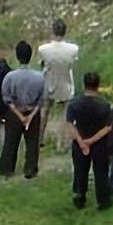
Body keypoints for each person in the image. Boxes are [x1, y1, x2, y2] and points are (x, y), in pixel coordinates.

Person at [0, 40, 45, 178]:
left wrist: (19, 114)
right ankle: (30, 168)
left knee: (10, 141)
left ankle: (6, 168)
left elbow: (6, 98)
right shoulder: (39, 77)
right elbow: (42, 99)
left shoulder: (10, 77)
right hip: (32, 111)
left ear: (17, 56)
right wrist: (30, 116)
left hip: (14, 112)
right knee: (32, 142)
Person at [65, 71, 113, 210]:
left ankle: (79, 197)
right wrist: (91, 141)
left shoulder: (74, 104)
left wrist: (81, 141)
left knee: (80, 170)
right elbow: (108, 127)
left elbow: (69, 124)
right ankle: (102, 201)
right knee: (101, 172)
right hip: (99, 144)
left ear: (84, 85)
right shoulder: (104, 105)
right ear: (98, 86)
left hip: (79, 143)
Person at [38, 19, 80, 150]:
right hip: (66, 82)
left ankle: (39, 139)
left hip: (49, 82)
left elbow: (42, 64)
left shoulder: (43, 49)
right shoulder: (73, 49)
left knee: (45, 111)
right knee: (66, 114)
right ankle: (62, 142)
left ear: (53, 31)